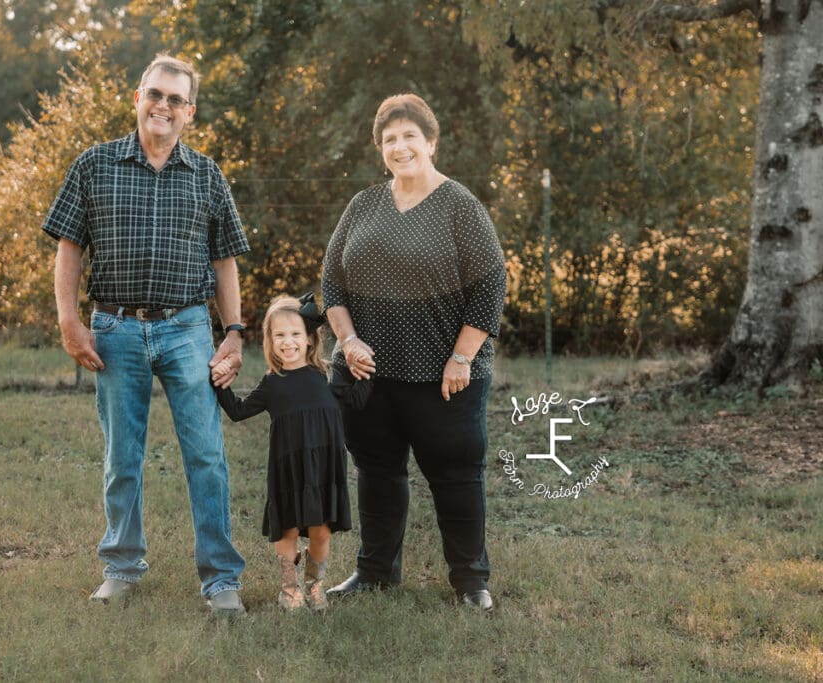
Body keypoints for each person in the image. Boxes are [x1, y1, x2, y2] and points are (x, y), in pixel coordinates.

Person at [42, 54, 249, 616]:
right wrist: (69, 320)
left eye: (175, 99)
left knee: (205, 453)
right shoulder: (94, 164)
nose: (163, 106)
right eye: (154, 94)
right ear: (137, 98)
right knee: (122, 455)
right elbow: (68, 248)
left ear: (190, 112)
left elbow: (225, 260)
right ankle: (122, 567)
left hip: (187, 329)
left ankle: (220, 578)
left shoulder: (206, 175)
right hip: (115, 328)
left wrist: (232, 331)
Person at [321, 93, 506, 611]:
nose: (399, 147)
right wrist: (348, 339)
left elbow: (491, 286)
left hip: (444, 375)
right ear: (380, 148)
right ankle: (375, 573)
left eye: (409, 136)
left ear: (430, 141)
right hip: (368, 375)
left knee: (456, 476)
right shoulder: (364, 204)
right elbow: (331, 282)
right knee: (377, 472)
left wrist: (463, 356)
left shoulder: (460, 206)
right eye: (389, 139)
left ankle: (471, 582)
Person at [212, 294, 352, 612]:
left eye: (295, 334)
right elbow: (237, 410)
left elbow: (358, 399)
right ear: (269, 340)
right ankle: (290, 587)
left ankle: (316, 584)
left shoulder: (328, 376)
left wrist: (367, 366)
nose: (287, 342)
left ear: (309, 338)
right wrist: (218, 379)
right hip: (287, 468)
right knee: (287, 527)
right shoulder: (273, 384)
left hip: (324, 467)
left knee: (321, 531)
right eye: (279, 335)